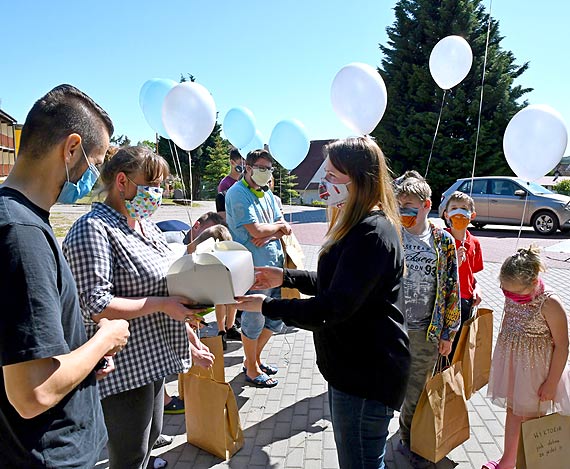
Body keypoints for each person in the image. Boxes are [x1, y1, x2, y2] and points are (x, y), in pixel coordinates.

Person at [236, 137, 411, 468]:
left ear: (359, 178)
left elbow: (331, 309)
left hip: (366, 374)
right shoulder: (357, 225)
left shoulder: (371, 233)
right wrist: (285, 277)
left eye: (332, 175)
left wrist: (266, 306)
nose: (323, 182)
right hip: (352, 369)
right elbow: (335, 285)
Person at [0, 84, 130, 468]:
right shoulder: (21, 233)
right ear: (71, 148)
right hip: (51, 451)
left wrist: (85, 359)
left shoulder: (19, 219)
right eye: (96, 161)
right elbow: (33, 393)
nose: (96, 176)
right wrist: (106, 338)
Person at [62, 146, 214, 469]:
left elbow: (167, 279)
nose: (158, 194)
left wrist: (188, 331)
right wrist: (165, 305)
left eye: (162, 187)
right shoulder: (94, 229)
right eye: (153, 186)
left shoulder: (145, 224)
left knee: (151, 437)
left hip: (154, 358)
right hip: (123, 367)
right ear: (122, 182)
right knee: (129, 453)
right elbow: (97, 304)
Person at [395, 173, 460, 468]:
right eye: (399, 206)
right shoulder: (391, 233)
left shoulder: (442, 241)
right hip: (391, 328)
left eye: (409, 207)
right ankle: (399, 431)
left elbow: (451, 288)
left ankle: (411, 441)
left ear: (426, 205)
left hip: (425, 331)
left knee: (418, 391)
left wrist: (449, 332)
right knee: (392, 386)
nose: (403, 212)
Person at [484, 246, 570, 469]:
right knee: (513, 412)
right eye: (504, 291)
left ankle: (532, 462)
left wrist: (551, 383)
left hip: (537, 373)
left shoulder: (550, 303)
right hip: (515, 366)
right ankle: (508, 460)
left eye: (513, 294)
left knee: (532, 420)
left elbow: (562, 345)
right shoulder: (514, 292)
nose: (508, 297)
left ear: (533, 284)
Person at [225, 149, 291, 388]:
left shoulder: (268, 194)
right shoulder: (237, 193)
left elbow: (283, 226)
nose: (266, 173)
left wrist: (271, 230)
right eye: (262, 168)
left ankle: (253, 359)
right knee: (254, 320)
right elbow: (256, 232)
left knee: (275, 320)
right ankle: (251, 368)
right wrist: (274, 229)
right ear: (248, 168)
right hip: (252, 270)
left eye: (269, 169)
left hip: (275, 267)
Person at [443, 191, 484, 360]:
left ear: (472, 215)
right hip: (444, 300)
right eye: (454, 208)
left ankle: (451, 382)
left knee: (457, 348)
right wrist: (453, 262)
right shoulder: (441, 238)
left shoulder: (474, 242)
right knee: (442, 347)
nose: (459, 212)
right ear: (446, 215)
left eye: (464, 209)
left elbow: (471, 274)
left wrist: (478, 288)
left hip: (465, 300)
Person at [216, 147, 244, 218]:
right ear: (232, 162)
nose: (244, 166)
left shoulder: (245, 180)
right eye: (241, 163)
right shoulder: (225, 184)